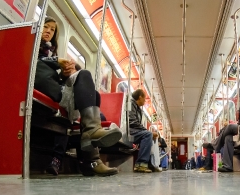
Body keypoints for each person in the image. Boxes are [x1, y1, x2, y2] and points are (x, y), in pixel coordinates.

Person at [34, 16, 121, 176]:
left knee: (93, 93)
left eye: (52, 30)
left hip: (55, 89)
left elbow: (53, 77)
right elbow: (35, 64)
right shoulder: (32, 45)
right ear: (38, 27)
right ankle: (92, 158)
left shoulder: (49, 52)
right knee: (85, 75)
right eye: (46, 27)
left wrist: (65, 74)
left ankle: (92, 152)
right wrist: (56, 62)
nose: (49, 31)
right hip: (49, 90)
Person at [129, 89, 154, 173]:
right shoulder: (131, 103)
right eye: (144, 99)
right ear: (140, 97)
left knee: (149, 135)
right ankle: (141, 164)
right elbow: (132, 121)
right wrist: (146, 131)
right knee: (148, 135)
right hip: (128, 130)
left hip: (132, 129)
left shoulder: (137, 108)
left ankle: (150, 164)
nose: (145, 101)